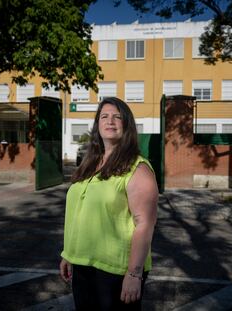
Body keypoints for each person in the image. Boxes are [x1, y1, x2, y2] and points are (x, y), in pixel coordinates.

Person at [60, 97, 158, 310]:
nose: (110, 121)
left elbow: (144, 224)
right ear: (97, 125)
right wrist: (68, 254)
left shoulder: (138, 168)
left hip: (118, 270)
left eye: (117, 117)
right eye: (104, 116)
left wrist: (134, 274)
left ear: (127, 125)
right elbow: (78, 213)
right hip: (83, 264)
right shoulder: (90, 164)